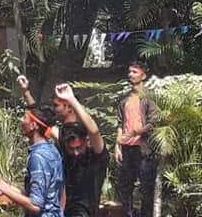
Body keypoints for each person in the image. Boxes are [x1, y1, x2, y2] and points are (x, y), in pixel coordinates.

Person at [0, 105, 63, 217]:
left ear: (33, 125)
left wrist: (1, 184)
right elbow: (43, 194)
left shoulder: (38, 157)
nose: (21, 120)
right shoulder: (51, 149)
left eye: (25, 117)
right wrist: (7, 188)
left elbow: (35, 205)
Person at [53, 84, 107, 217]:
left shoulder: (96, 156)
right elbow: (40, 123)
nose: (75, 152)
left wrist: (71, 99)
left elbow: (94, 131)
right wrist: (26, 92)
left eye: (79, 148)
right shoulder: (69, 152)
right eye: (72, 149)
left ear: (87, 141)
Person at [115, 61, 157, 217]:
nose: (130, 74)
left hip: (143, 149)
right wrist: (117, 146)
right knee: (125, 187)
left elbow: (154, 122)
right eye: (129, 71)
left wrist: (136, 132)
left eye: (134, 71)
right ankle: (129, 214)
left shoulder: (148, 98)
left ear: (143, 75)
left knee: (146, 187)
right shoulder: (123, 100)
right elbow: (120, 124)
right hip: (126, 148)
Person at [17, 75, 78, 142]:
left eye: (56, 105)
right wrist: (25, 91)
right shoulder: (60, 132)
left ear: (69, 107)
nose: (53, 108)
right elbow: (37, 115)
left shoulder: (79, 132)